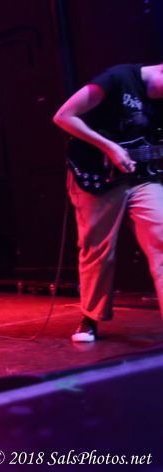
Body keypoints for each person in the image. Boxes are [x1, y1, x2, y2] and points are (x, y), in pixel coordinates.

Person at [53, 62, 163, 342]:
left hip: (142, 177)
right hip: (97, 176)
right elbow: (64, 116)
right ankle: (90, 318)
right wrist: (109, 146)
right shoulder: (119, 79)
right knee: (98, 250)